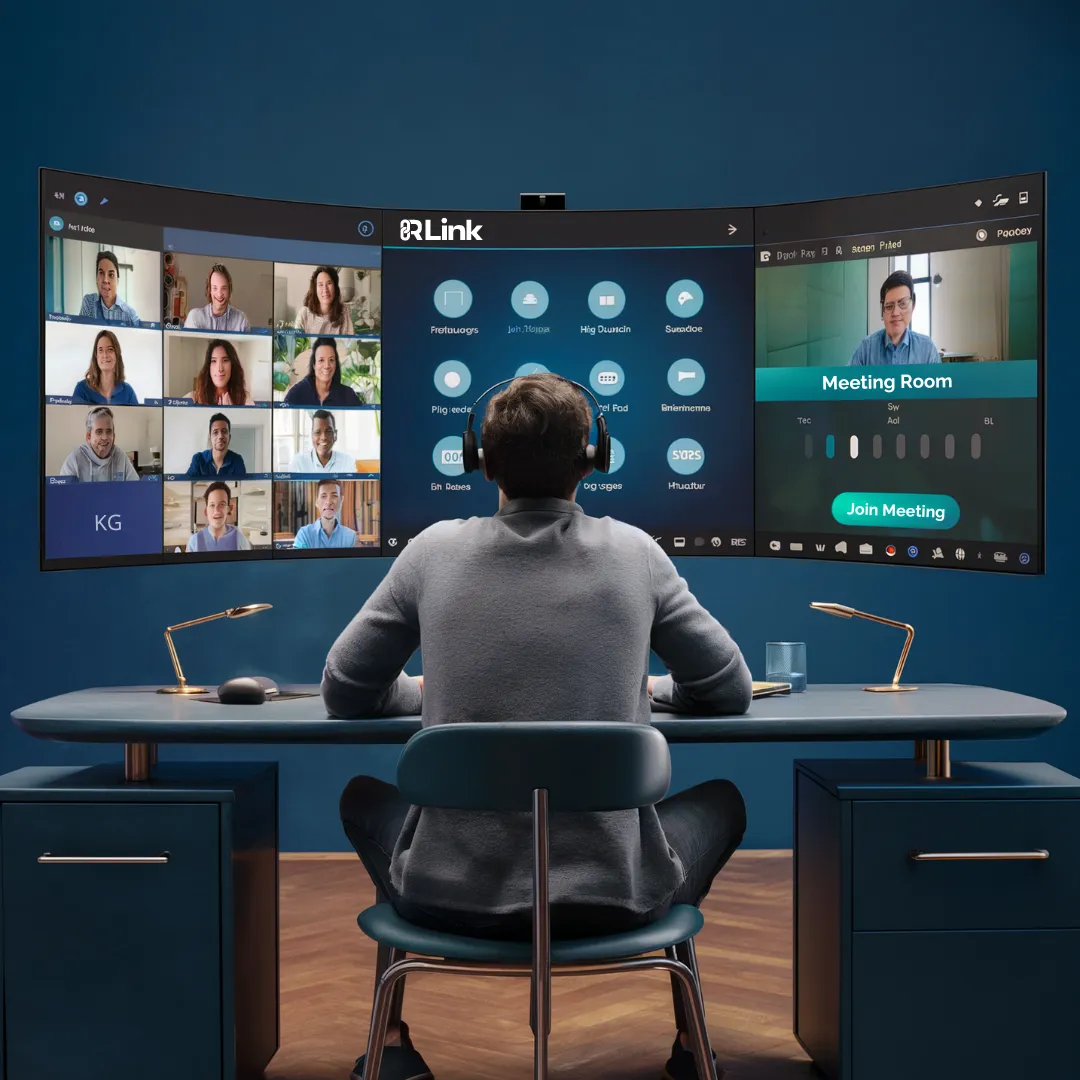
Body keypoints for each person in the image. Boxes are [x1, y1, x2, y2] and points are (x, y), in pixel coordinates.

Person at [324, 373, 751, 1080]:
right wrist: (645, 693)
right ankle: (689, 1048)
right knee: (724, 803)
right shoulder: (639, 555)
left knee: (361, 799)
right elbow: (728, 689)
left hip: (448, 899)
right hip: (616, 900)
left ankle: (392, 1042)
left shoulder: (431, 553)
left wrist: (423, 698)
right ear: (593, 458)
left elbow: (345, 688)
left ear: (480, 460)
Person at [849, 270, 941, 366]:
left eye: (903, 304)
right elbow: (847, 379)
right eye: (889, 306)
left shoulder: (927, 349)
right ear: (882, 311)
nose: (895, 313)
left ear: (913, 306)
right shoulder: (866, 348)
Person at [58, 406, 141, 481]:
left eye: (109, 432)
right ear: (88, 437)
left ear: (114, 436)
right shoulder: (75, 459)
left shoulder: (120, 457)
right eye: (99, 432)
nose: (104, 437)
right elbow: (64, 494)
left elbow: (136, 489)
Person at [283, 338, 361, 406]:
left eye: (331, 360)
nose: (327, 365)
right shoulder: (296, 393)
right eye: (321, 360)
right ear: (314, 365)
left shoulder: (348, 394)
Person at [71, 329, 140, 405]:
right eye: (100, 350)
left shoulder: (128, 392)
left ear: (117, 355)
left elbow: (137, 416)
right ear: (96, 356)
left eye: (110, 350)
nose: (105, 355)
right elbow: (75, 416)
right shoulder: (82, 389)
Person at [77, 251, 140, 326]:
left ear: (117, 280)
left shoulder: (130, 315)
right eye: (101, 273)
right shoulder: (88, 303)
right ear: (96, 278)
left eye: (111, 275)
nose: (105, 280)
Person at [186, 481, 252, 552]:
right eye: (212, 505)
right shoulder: (194, 541)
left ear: (228, 509)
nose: (217, 511)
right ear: (206, 511)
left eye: (222, 504)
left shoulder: (240, 539)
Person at [184, 263, 251, 332]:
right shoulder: (195, 317)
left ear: (229, 290)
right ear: (209, 290)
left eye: (224, 288)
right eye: (215, 288)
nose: (219, 294)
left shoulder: (241, 320)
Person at [292, 479, 358, 548]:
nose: (328, 502)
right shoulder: (304, 534)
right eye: (323, 496)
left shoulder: (350, 536)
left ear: (341, 500)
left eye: (334, 496)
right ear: (317, 502)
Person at [184, 339, 250, 405]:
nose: (220, 369)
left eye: (225, 360)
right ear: (208, 366)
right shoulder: (192, 398)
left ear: (232, 365)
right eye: (214, 361)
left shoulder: (244, 398)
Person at [287, 410, 357, 472]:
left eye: (328, 431)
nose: (323, 437)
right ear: (312, 436)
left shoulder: (347, 461)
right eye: (317, 432)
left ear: (335, 435)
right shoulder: (298, 462)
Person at [294, 266, 355, 335]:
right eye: (320, 285)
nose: (325, 289)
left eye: (329, 283)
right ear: (315, 289)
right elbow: (297, 344)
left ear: (335, 287)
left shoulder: (344, 311)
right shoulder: (304, 314)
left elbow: (349, 342)